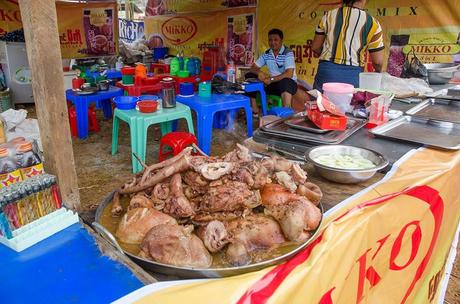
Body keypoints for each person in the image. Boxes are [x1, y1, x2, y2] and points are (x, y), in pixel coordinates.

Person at [311, 0, 385, 91]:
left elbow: (315, 47)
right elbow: (378, 61)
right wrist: (378, 72)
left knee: (321, 104)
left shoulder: (328, 16)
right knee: (349, 104)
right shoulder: (372, 23)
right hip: (352, 76)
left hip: (326, 72)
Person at [248, 28, 298, 114]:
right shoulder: (267, 54)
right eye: (270, 40)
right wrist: (259, 72)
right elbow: (253, 67)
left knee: (286, 81)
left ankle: (286, 113)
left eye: (276, 40)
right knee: (250, 75)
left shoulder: (288, 52)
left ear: (281, 41)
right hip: (272, 84)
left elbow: (289, 74)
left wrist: (271, 79)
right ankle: (254, 108)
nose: (272, 42)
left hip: (288, 85)